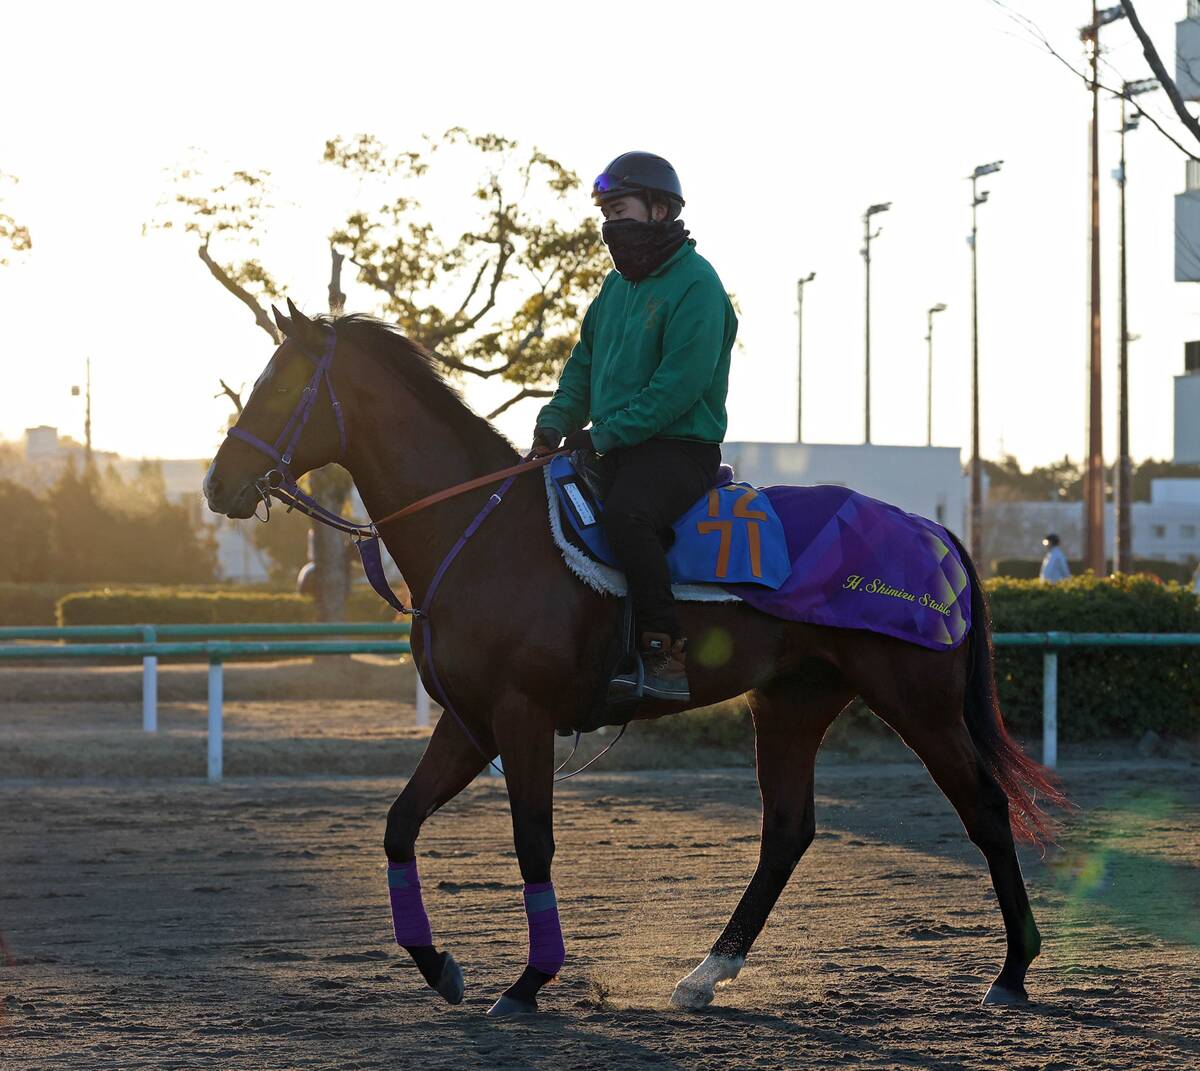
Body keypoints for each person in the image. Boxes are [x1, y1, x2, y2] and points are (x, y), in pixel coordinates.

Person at [531, 151, 738, 703]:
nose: (609, 227)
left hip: (676, 448)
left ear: (659, 209)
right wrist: (554, 424)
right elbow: (582, 366)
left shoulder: (698, 284)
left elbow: (676, 389)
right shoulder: (614, 288)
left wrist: (602, 435)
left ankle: (663, 654)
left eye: (619, 210)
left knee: (628, 515)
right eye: (605, 213)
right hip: (616, 444)